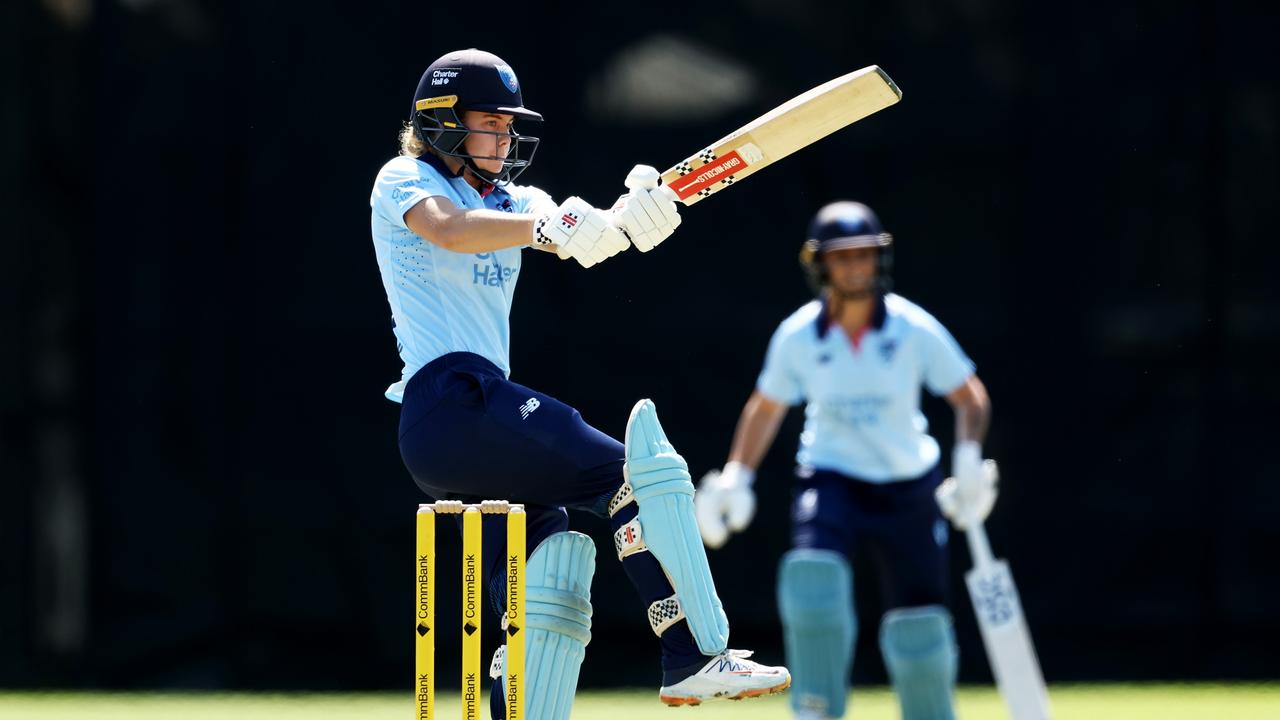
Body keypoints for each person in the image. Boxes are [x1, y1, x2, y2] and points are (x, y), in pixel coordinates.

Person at [367, 48, 790, 719]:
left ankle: (516, 703)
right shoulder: (405, 178)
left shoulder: (514, 199)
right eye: (491, 124)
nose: (506, 139)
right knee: (635, 476)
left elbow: (583, 230)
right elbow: (449, 230)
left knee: (551, 559)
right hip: (449, 403)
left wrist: (637, 215)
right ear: (444, 121)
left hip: (467, 429)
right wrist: (545, 226)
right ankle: (693, 657)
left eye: (511, 126)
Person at [694, 200, 998, 720]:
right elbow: (766, 407)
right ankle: (814, 708)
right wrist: (737, 476)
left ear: (878, 260)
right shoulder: (799, 335)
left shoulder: (910, 327)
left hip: (909, 485)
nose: (855, 268)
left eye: (863, 256)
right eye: (843, 258)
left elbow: (970, 397)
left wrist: (968, 459)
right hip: (831, 478)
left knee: (920, 626)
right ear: (821, 265)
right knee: (812, 582)